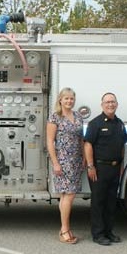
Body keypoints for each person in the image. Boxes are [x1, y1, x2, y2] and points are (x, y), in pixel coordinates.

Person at [84, 92, 127, 246]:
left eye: (113, 102)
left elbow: (122, 145)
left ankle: (109, 232)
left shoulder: (120, 123)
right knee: (98, 202)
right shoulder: (95, 123)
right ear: (102, 104)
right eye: (107, 102)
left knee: (111, 202)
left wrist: (121, 166)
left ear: (116, 104)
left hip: (115, 168)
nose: (110, 104)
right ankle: (98, 234)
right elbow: (88, 144)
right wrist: (90, 166)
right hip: (99, 168)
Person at [46, 88, 85, 244]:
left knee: (65, 196)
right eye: (66, 98)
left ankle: (64, 228)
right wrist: (55, 162)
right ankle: (65, 230)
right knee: (69, 195)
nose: (69, 101)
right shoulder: (55, 117)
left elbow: (81, 138)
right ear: (60, 100)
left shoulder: (78, 116)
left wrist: (84, 158)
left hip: (76, 160)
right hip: (62, 160)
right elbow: (50, 141)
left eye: (71, 99)